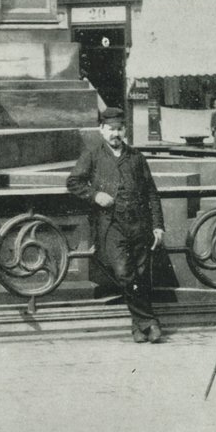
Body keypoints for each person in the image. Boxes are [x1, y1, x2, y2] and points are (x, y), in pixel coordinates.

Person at [67, 107, 165, 343]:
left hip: (140, 225)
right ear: (101, 130)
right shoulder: (92, 155)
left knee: (140, 275)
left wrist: (158, 226)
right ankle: (149, 320)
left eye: (120, 129)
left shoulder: (136, 157)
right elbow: (73, 182)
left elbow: (152, 193)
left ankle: (139, 326)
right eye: (111, 129)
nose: (116, 134)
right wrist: (95, 195)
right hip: (111, 225)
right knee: (124, 273)